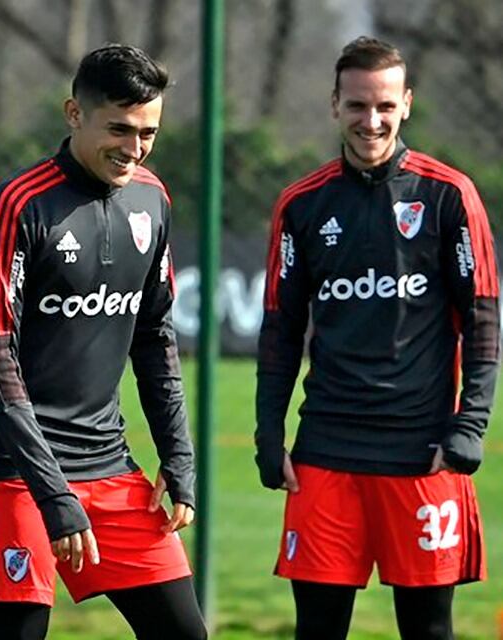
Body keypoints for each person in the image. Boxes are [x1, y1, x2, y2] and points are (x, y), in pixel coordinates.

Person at [0, 44, 206, 640]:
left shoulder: (152, 199)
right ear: (73, 114)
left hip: (110, 466)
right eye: (119, 128)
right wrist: (53, 493)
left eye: (148, 133)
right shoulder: (19, 206)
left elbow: (155, 337)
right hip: (14, 470)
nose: (134, 148)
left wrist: (178, 456)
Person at [256, 36, 499, 640]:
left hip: (422, 455)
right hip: (326, 455)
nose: (372, 120)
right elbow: (280, 330)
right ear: (334, 104)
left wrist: (470, 424)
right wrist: (268, 432)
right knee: (317, 629)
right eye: (358, 105)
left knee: (429, 631)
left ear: (407, 104)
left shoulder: (448, 195)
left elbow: (484, 318)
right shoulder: (302, 204)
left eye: (385, 106)